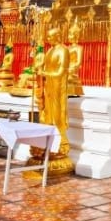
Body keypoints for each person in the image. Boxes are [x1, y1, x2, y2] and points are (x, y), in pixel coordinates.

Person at [39, 26, 70, 157]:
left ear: (57, 37)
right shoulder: (50, 50)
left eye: (51, 37)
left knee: (57, 113)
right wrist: (39, 68)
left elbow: (60, 71)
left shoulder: (63, 50)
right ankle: (48, 138)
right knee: (47, 112)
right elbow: (45, 66)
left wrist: (44, 73)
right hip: (49, 86)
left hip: (58, 86)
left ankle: (60, 140)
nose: (48, 39)